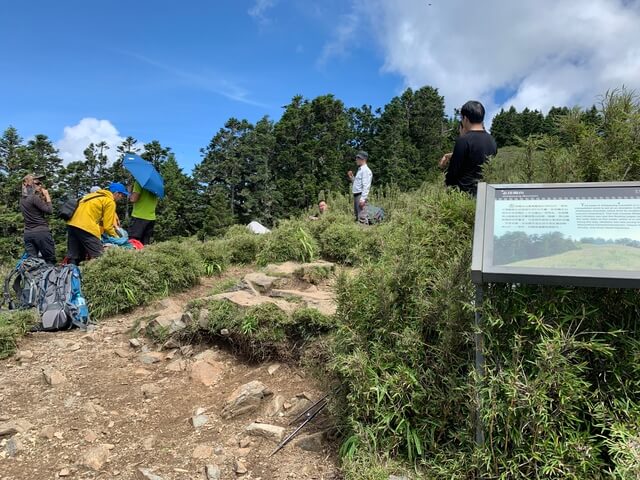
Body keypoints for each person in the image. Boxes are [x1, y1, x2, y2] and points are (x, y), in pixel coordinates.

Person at [440, 100, 497, 196]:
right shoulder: (492, 140)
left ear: (465, 118)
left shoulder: (463, 140)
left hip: (464, 195)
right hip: (485, 194)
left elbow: (453, 173)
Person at [66, 182, 129, 265]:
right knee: (99, 255)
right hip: (87, 227)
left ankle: (70, 274)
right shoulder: (109, 202)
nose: (122, 198)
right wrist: (117, 237)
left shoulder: (92, 196)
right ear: (116, 193)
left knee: (75, 256)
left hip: (72, 225)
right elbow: (108, 226)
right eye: (122, 195)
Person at [20, 173, 56, 264]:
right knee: (50, 260)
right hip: (41, 233)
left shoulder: (22, 199)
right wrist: (47, 196)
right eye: (37, 184)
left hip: (28, 233)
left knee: (32, 262)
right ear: (28, 184)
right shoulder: (34, 198)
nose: (40, 186)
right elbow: (49, 210)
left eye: (40, 183)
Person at [128, 181, 158, 245]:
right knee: (145, 244)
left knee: (133, 243)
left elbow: (133, 199)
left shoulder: (139, 182)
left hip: (139, 216)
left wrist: (130, 192)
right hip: (151, 218)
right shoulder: (156, 185)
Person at [348, 151, 373, 223]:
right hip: (357, 195)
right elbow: (357, 184)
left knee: (362, 217)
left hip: (360, 195)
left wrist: (363, 199)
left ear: (363, 159)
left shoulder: (366, 170)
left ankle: (364, 232)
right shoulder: (360, 170)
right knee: (357, 217)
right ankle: (359, 232)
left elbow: (366, 186)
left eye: (358, 158)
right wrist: (351, 177)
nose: (356, 159)